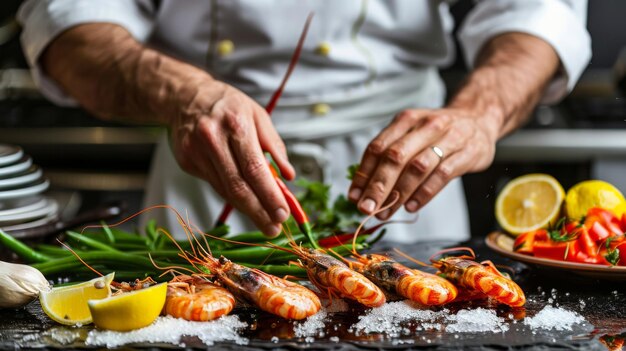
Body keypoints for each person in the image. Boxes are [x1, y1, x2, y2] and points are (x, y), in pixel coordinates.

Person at [17, 1, 590, 242]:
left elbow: (537, 11)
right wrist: (183, 95)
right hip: (206, 160)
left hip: (412, 170)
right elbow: (68, 21)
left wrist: (476, 115)